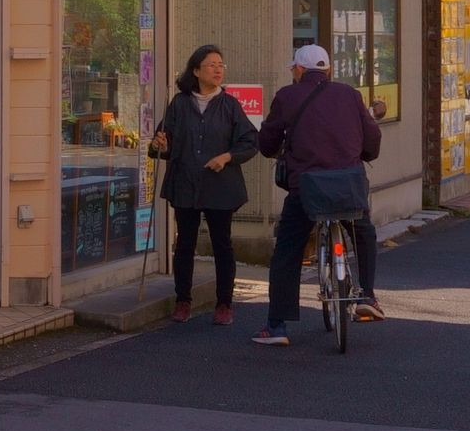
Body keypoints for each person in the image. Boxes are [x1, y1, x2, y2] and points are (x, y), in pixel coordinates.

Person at [253, 41, 383, 343]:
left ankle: (277, 326)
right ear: (329, 70)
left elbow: (268, 142)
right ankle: (367, 296)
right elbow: (372, 139)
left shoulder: (287, 96)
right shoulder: (350, 95)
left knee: (288, 250)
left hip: (307, 188)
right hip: (348, 185)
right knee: (364, 232)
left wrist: (275, 149)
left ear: (299, 69)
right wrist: (359, 155)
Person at [145, 45, 264, 324]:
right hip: (185, 181)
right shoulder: (179, 104)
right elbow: (163, 143)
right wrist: (159, 144)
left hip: (221, 185)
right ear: (196, 71)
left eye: (221, 65)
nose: (218, 69)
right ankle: (183, 300)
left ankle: (224, 304)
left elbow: (250, 142)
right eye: (211, 65)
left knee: (222, 244)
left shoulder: (230, 105)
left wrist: (227, 157)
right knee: (185, 244)